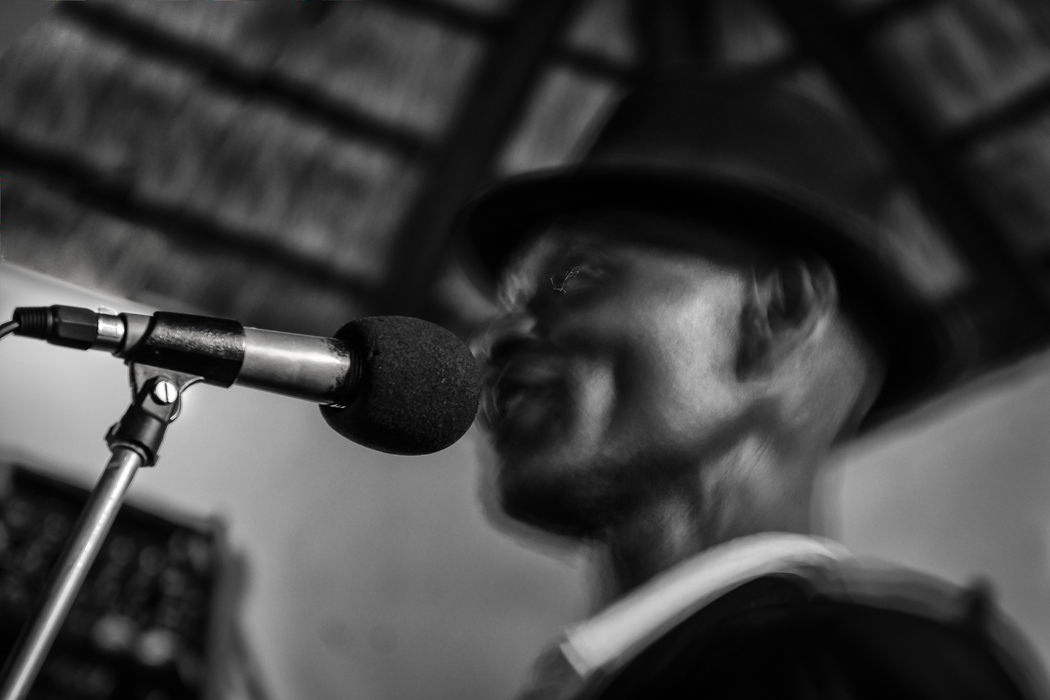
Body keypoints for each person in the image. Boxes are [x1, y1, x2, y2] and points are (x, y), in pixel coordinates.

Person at [456, 68, 1049, 699]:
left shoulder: (860, 676)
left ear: (780, 313)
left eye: (577, 275)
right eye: (511, 300)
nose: (495, 337)